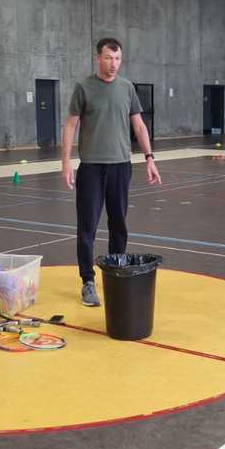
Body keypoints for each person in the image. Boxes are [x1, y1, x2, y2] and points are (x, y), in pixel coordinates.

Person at [61, 37, 161, 306]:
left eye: (117, 59)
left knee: (119, 224)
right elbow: (70, 126)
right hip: (92, 168)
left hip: (121, 167)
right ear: (98, 58)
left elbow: (139, 126)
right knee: (87, 227)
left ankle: (115, 273)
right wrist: (66, 162)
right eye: (108, 58)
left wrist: (149, 158)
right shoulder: (84, 87)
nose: (113, 63)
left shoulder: (127, 88)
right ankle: (87, 281)